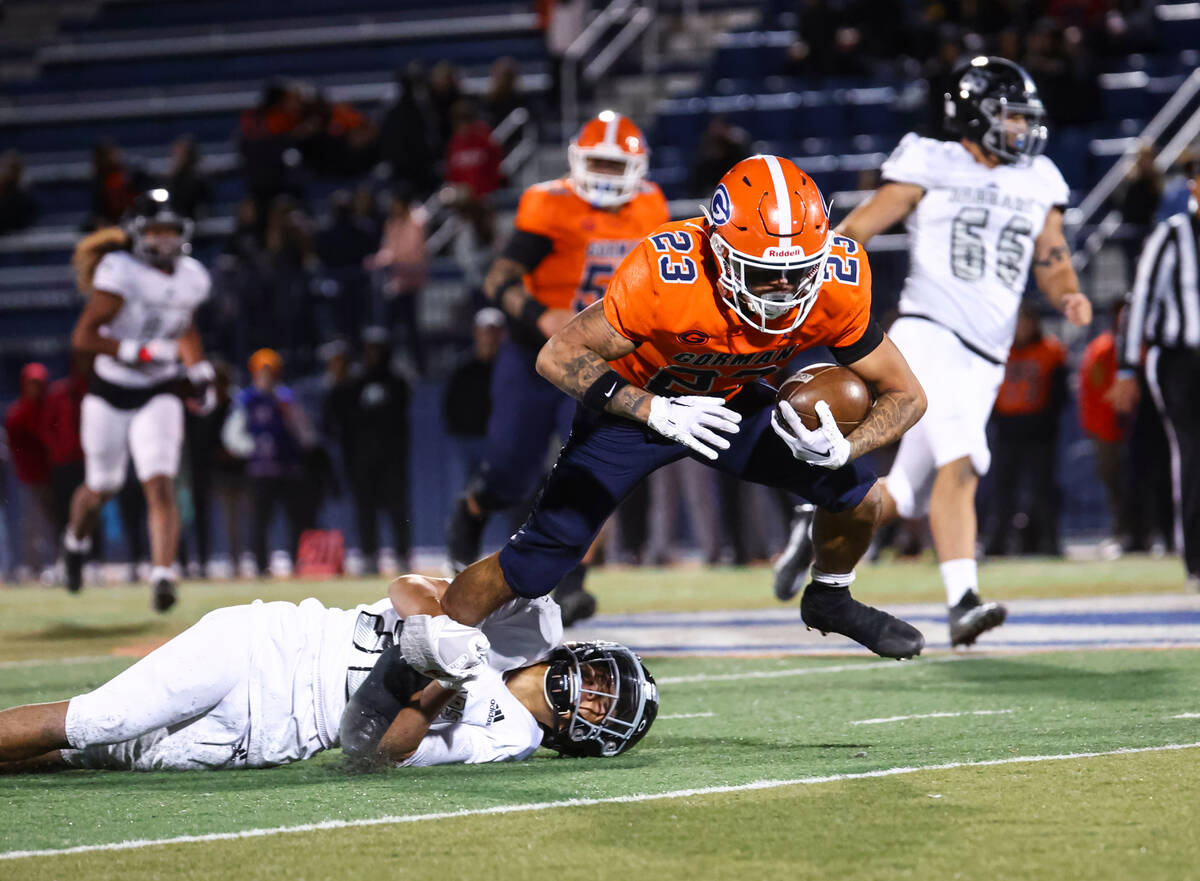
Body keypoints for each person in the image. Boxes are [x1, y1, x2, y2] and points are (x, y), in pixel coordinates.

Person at [417, 153, 929, 685]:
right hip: (639, 404)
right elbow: (557, 353)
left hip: (731, 401)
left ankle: (830, 596)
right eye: (764, 272)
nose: (782, 291)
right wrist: (652, 410)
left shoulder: (838, 280)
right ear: (720, 248)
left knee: (859, 494)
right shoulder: (669, 270)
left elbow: (907, 394)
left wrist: (850, 446)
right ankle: (422, 647)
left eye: (796, 272)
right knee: (538, 562)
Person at [773, 57, 1092, 647]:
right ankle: (962, 600)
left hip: (985, 354)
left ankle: (814, 523)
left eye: (1026, 119)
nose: (1022, 130)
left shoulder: (1039, 177)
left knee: (905, 493)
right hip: (929, 330)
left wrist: (1068, 294)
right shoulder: (932, 159)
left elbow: (1051, 253)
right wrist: (823, 266)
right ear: (976, 114)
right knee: (963, 461)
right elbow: (865, 224)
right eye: (1011, 117)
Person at [0, 574, 657, 772]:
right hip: (271, 644)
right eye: (602, 676)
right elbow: (409, 586)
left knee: (91, 756)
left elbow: (379, 751)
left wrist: (437, 678)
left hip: (275, 732)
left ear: (582, 734)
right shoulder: (529, 628)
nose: (591, 687)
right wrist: (435, 631)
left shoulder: (510, 734)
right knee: (99, 718)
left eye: (602, 702)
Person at [446, 111, 670, 626]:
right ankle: (474, 510)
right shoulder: (548, 203)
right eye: (598, 163)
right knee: (510, 468)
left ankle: (569, 583)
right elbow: (499, 280)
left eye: (617, 164)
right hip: (534, 353)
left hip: (600, 356)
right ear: (576, 160)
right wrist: (543, 315)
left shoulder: (651, 205)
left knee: (590, 466)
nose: (608, 175)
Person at [62, 189, 216, 610]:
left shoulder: (191, 276)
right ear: (139, 233)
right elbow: (83, 336)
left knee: (160, 481)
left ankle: (163, 575)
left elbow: (184, 326)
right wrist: (137, 352)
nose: (165, 240)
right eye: (156, 230)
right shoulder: (119, 270)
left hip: (159, 390)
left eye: (172, 231)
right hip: (111, 390)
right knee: (102, 486)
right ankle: (75, 541)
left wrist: (198, 369)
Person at [1110, 156, 1200, 591]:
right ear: (1194, 188)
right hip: (1181, 361)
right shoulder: (1172, 234)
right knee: (1192, 455)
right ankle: (1197, 564)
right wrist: (1127, 367)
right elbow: (1140, 300)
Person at [983, 303, 1068, 557]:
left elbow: (1059, 395)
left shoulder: (1051, 351)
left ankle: (1050, 542)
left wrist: (1046, 424)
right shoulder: (998, 351)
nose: (1021, 327)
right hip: (1007, 430)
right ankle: (997, 544)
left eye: (1025, 321)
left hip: (1039, 431)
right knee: (1003, 491)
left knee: (1043, 490)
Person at [222, 348, 313, 577]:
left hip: (287, 467)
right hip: (261, 470)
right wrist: (253, 449)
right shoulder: (246, 399)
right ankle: (262, 566)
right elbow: (232, 435)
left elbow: (304, 432)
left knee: (295, 519)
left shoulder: (286, 398)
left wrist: (298, 441)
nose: (266, 375)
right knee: (260, 521)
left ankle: (296, 562)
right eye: (262, 371)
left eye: (270, 371)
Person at [348, 327, 412, 574]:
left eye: (378, 348)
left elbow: (400, 417)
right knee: (366, 509)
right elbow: (348, 421)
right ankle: (368, 556)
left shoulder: (397, 380)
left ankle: (402, 555)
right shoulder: (356, 381)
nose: (374, 354)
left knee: (397, 509)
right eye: (370, 349)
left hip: (392, 458)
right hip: (365, 459)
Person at [443, 308, 506, 502]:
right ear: (476, 332)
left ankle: (504, 535)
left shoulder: (510, 368)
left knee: (501, 499)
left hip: (499, 444)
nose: (488, 336)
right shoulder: (461, 368)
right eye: (485, 330)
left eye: (493, 331)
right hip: (465, 442)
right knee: (462, 498)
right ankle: (461, 533)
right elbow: (448, 405)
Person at [5, 362, 55, 580]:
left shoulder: (52, 408)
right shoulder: (17, 412)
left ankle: (54, 565)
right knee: (30, 524)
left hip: (52, 475)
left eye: (39, 383)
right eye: (32, 383)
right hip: (27, 477)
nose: (35, 388)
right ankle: (30, 567)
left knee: (53, 522)